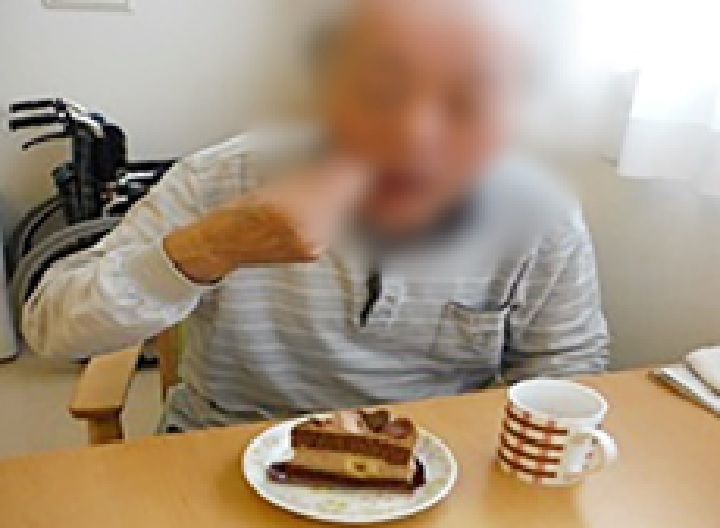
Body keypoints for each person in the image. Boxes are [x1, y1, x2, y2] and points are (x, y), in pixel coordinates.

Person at [23, 0, 608, 431]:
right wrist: (206, 249)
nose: (416, 133)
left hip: (429, 457)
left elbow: (567, 363)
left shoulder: (539, 211)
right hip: (227, 442)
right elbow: (52, 327)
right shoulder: (219, 179)